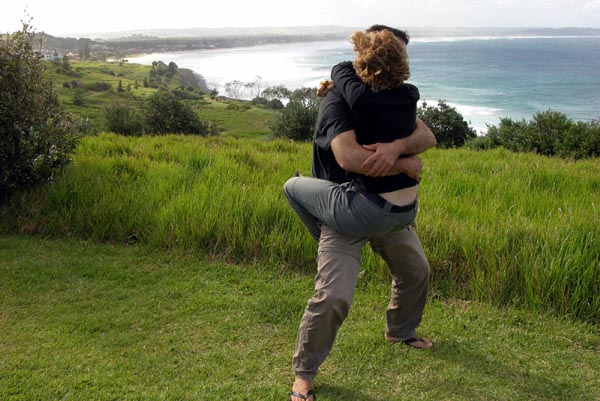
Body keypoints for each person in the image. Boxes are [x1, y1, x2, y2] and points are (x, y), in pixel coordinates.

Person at [286, 26, 436, 401]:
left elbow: (426, 135)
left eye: (400, 54)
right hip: (345, 207)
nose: (398, 62)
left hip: (383, 208)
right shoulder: (337, 100)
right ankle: (304, 375)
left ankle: (400, 330)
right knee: (333, 297)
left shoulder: (391, 97)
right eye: (392, 53)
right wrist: (405, 163)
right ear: (368, 56)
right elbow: (349, 157)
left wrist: (397, 147)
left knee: (416, 270)